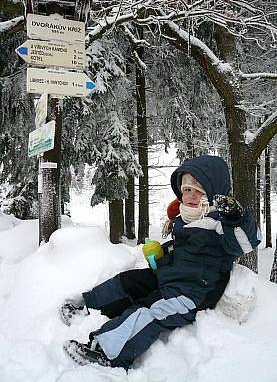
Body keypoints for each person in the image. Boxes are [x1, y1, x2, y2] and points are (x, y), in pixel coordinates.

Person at [61, 155, 261, 369]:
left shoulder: (221, 223)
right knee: (128, 281)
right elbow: (186, 253)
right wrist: (164, 254)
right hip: (170, 278)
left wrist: (236, 218)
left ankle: (107, 353)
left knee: (148, 312)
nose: (190, 196)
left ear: (213, 193)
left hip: (192, 293)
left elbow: (246, 242)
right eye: (186, 190)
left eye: (198, 190)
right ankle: (86, 305)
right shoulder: (184, 220)